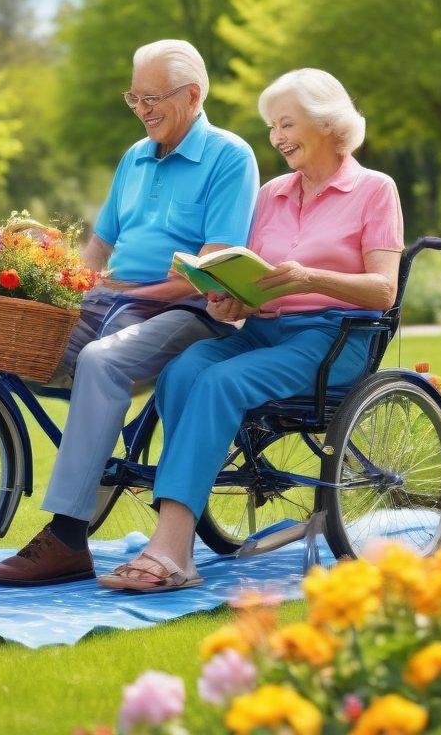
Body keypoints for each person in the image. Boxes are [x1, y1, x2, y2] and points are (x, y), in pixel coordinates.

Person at [98, 68, 405, 592]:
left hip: (333, 339)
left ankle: (172, 550)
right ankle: (179, 525)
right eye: (272, 128)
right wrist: (226, 297)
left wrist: (310, 278)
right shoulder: (271, 194)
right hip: (264, 329)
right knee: (182, 371)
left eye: (287, 124)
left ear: (329, 124)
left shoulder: (374, 189)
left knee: (221, 382)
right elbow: (252, 278)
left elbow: (383, 291)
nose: (278, 139)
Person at [0, 39, 259, 586]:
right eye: (134, 97)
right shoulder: (135, 157)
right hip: (114, 298)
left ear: (193, 95)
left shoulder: (229, 156)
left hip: (189, 312)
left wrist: (127, 289)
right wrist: (66, 288)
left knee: (104, 362)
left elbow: (206, 274)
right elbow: (98, 248)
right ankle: (92, 462)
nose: (143, 109)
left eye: (153, 98)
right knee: (11, 340)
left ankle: (67, 534)